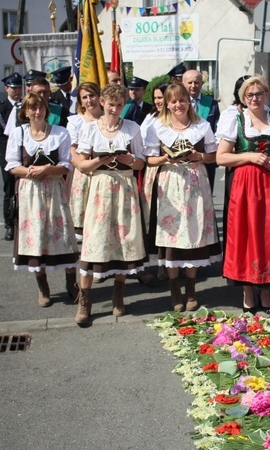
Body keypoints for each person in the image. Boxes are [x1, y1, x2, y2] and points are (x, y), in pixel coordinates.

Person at [216, 75, 270, 313]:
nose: (254, 98)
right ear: (243, 97)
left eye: (259, 94)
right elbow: (221, 157)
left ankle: (266, 289)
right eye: (250, 95)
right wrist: (250, 156)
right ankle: (248, 290)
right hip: (245, 183)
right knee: (247, 232)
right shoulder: (235, 119)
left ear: (266, 95)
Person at [73, 84, 147, 325]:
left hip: (125, 188)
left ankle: (118, 294)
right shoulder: (91, 129)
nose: (115, 109)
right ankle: (85, 300)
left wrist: (131, 159)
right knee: (94, 242)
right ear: (102, 102)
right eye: (111, 104)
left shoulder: (132, 128)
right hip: (100, 188)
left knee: (122, 240)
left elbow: (141, 163)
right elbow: (81, 165)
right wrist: (99, 160)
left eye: (119, 104)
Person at [143, 84, 221, 311]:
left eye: (182, 100)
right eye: (174, 101)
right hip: (170, 182)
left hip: (195, 181)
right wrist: (167, 158)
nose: (178, 105)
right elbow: (149, 159)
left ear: (189, 101)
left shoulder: (201, 125)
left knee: (194, 233)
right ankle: (175, 288)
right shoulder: (157, 126)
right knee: (174, 235)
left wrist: (199, 155)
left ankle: (192, 288)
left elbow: (213, 156)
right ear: (167, 103)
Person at [4, 93, 79, 307]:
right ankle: (43, 287)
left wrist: (47, 169)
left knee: (63, 235)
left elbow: (67, 164)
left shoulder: (60, 133)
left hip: (55, 189)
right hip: (30, 192)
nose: (37, 112)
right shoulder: (19, 134)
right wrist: (30, 172)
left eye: (41, 108)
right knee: (35, 236)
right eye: (33, 108)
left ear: (47, 110)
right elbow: (11, 165)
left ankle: (71, 283)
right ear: (25, 112)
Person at [66, 82, 102, 240]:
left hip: (104, 172)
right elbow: (71, 149)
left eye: (92, 95)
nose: (89, 100)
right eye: (85, 97)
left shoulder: (110, 118)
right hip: (83, 173)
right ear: (80, 102)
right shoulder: (75, 122)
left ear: (99, 97)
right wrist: (83, 166)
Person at [140, 82, 169, 278]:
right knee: (156, 218)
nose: (159, 101)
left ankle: (175, 261)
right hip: (154, 170)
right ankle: (161, 263)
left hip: (173, 170)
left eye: (162, 97)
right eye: (157, 97)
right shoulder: (150, 118)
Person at [0, 72, 23, 240]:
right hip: (8, 158)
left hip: (26, 157)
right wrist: (14, 154)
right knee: (9, 191)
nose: (17, 90)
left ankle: (24, 224)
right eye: (13, 87)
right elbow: (0, 138)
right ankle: (10, 225)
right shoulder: (0, 107)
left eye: (19, 87)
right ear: (6, 88)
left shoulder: (26, 105)